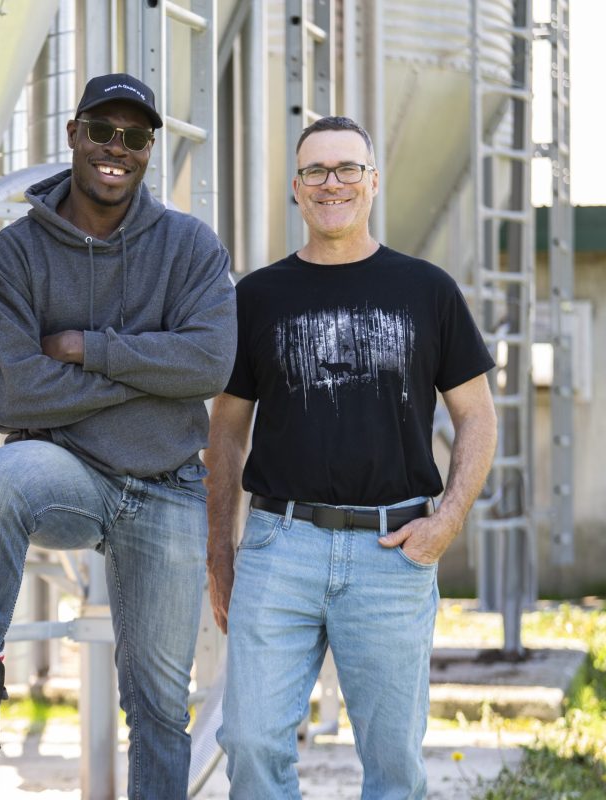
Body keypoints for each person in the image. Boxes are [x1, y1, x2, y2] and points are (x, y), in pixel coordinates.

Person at [0, 73, 237, 797]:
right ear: (74, 135)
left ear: (149, 148)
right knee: (2, 478)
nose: (117, 149)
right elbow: (16, 390)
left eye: (136, 136)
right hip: (72, 478)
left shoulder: (188, 247)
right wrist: (154, 370)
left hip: (170, 488)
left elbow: (210, 363)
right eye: (103, 131)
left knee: (157, 706)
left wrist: (93, 347)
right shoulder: (19, 253)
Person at [205, 115, 498, 799]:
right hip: (280, 545)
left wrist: (447, 521)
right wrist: (220, 548)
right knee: (248, 740)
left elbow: (477, 415)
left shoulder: (427, 291)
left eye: (346, 169)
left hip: (392, 550)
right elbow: (225, 430)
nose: (330, 183)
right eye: (315, 170)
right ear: (297, 190)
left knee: (393, 762)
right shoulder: (257, 297)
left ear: (371, 183)